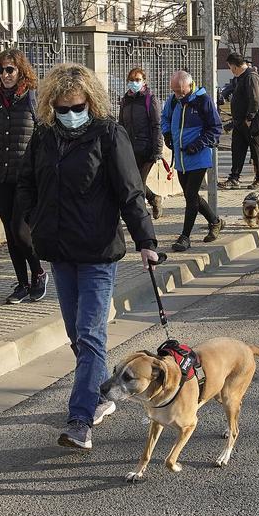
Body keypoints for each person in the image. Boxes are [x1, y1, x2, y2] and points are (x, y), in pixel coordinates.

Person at [15, 63, 159, 451]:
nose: (69, 113)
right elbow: (27, 182)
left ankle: (80, 421)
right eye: (61, 107)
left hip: (97, 252)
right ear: (50, 105)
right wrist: (31, 220)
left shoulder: (110, 135)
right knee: (76, 334)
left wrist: (147, 239)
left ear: (90, 102)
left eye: (76, 106)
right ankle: (98, 395)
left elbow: (131, 192)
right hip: (60, 251)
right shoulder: (45, 137)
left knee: (92, 335)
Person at [0, 49, 45, 305]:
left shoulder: (32, 98)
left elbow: (43, 134)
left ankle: (38, 272)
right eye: (1, 70)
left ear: (21, 71)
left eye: (10, 70)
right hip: (0, 173)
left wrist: (38, 167)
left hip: (25, 177)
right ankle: (22, 283)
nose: (6, 75)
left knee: (21, 231)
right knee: (9, 231)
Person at [162, 70, 225, 252]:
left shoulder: (203, 100)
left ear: (190, 86)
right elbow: (165, 118)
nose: (177, 94)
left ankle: (185, 237)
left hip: (198, 156)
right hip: (180, 158)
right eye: (174, 90)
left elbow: (215, 128)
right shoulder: (173, 100)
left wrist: (197, 145)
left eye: (180, 91)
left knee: (190, 197)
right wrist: (166, 134)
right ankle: (215, 221)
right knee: (192, 196)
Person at [118, 67, 165, 220]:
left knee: (138, 183)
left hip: (147, 149)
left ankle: (141, 216)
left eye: (137, 80)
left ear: (144, 81)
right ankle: (154, 198)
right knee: (133, 181)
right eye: (131, 80)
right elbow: (121, 124)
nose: (134, 83)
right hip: (130, 148)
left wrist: (157, 150)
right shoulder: (125, 100)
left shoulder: (149, 99)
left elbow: (156, 125)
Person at [218, 53, 259, 190]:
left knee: (256, 151)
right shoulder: (240, 78)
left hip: (252, 123)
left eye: (230, 67)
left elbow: (255, 99)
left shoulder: (251, 77)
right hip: (240, 123)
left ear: (234, 66)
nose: (230, 70)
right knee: (237, 150)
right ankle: (234, 177)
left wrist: (249, 118)